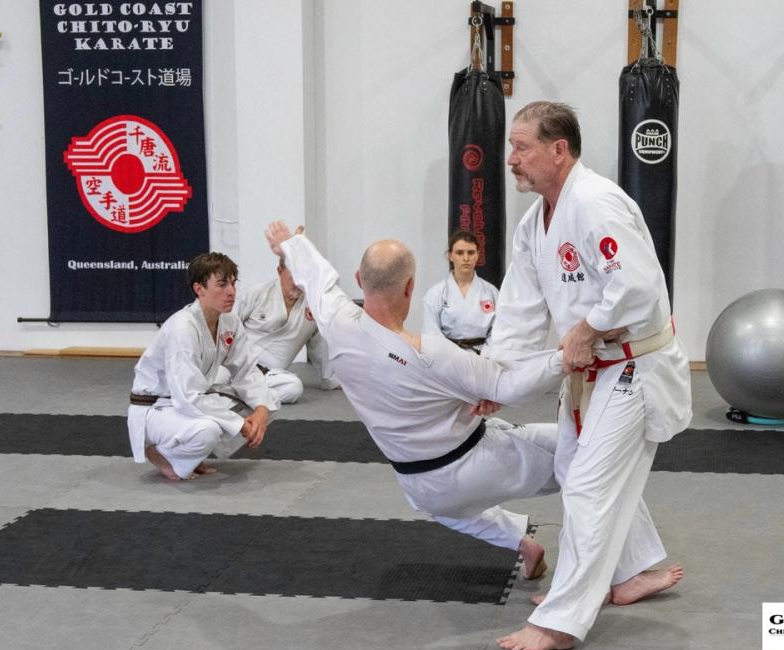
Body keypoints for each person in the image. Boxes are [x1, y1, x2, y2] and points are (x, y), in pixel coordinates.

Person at [487, 101, 692, 650]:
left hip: (632, 365)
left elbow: (640, 286)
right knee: (573, 466)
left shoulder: (596, 202)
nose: (511, 159)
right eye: (511, 147)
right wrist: (492, 381)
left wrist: (589, 326)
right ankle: (641, 568)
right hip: (589, 370)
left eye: (522, 147)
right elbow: (520, 311)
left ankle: (561, 618)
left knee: (587, 487)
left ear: (560, 149)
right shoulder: (536, 222)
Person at [264, 220, 566, 577]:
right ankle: (606, 573)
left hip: (418, 487)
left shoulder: (338, 325)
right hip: (478, 463)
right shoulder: (432, 353)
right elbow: (510, 386)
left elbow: (318, 281)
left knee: (458, 511)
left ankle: (523, 545)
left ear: (360, 281)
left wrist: (292, 246)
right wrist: (563, 358)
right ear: (410, 287)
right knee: (591, 454)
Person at [127, 252, 278, 481]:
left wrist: (261, 410)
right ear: (199, 289)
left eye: (233, 283)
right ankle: (160, 453)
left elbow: (245, 369)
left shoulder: (230, 321)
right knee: (208, 431)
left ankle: (188, 455)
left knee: (268, 402)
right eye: (222, 284)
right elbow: (187, 396)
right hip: (157, 407)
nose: (231, 292)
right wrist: (239, 425)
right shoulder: (182, 328)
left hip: (186, 401)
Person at [235, 255, 339, 403]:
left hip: (269, 376)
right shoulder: (258, 293)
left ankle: (239, 396)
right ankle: (240, 392)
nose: (298, 283)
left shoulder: (313, 308)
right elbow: (229, 328)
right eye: (294, 276)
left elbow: (320, 347)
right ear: (280, 270)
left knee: (294, 387)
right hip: (239, 366)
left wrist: (331, 380)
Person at [422, 229, 499, 353]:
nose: (466, 258)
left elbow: (499, 330)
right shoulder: (435, 294)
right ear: (450, 256)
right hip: (447, 358)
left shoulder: (492, 292)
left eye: (471, 252)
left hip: (482, 358)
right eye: (459, 253)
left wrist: (485, 356)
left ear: (478, 255)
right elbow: (431, 332)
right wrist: (453, 357)